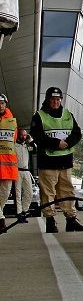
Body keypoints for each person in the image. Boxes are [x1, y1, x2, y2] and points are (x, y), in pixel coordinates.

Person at [30, 87, 83, 233]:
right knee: (48, 192)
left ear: (61, 100)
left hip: (65, 161)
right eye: (53, 99)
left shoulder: (68, 114)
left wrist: (68, 142)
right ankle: (50, 221)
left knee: (67, 191)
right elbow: (37, 137)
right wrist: (57, 143)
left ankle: (71, 219)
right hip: (48, 162)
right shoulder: (39, 116)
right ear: (48, 100)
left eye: (58, 99)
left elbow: (77, 133)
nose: (56, 102)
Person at [0, 94, 18, 233]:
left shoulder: (12, 121)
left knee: (5, 194)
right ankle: (1, 219)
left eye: (2, 103)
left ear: (5, 104)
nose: (0, 105)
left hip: (7, 165)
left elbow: (14, 140)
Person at [14, 129, 36, 223]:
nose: (23, 137)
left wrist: (30, 140)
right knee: (18, 193)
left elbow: (35, 150)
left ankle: (24, 211)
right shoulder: (14, 145)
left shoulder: (27, 146)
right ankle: (19, 214)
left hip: (26, 171)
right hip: (17, 171)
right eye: (22, 135)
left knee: (29, 193)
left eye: (25, 135)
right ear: (18, 135)